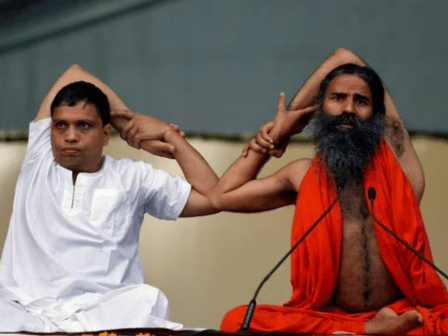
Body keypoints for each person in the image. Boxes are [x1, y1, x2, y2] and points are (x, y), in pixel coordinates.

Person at [210, 48, 448, 334]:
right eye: (337, 98)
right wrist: (280, 132)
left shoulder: (401, 172)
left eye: (361, 101)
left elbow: (346, 56)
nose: (348, 108)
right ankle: (371, 330)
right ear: (319, 109)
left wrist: (292, 122)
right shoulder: (302, 175)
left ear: (376, 113)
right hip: (331, 319)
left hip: (403, 313)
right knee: (236, 320)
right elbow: (222, 195)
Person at [0, 65, 217, 332]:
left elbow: (213, 196)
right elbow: (72, 73)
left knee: (145, 300)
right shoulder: (38, 160)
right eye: (60, 125)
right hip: (26, 310)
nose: (70, 135)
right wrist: (127, 123)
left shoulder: (133, 176)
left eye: (84, 125)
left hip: (103, 313)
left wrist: (170, 136)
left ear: (105, 134)